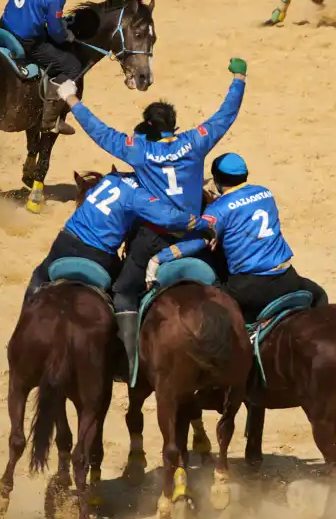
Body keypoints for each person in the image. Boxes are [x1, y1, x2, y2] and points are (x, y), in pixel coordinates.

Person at [53, 57, 247, 365]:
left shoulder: (139, 150)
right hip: (194, 238)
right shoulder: (195, 141)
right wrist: (239, 78)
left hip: (154, 240)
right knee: (228, 280)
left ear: (149, 130)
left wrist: (71, 99)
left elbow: (99, 131)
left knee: (124, 290)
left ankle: (130, 363)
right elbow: (225, 114)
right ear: (174, 125)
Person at [21, 169, 200, 377]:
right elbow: (170, 219)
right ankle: (126, 361)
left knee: (39, 276)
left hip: (65, 241)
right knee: (122, 291)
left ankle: (24, 335)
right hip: (98, 254)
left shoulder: (112, 178)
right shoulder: (141, 195)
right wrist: (203, 223)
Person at [149, 152, 328, 326]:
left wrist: (159, 258)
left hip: (250, 287)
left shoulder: (218, 209)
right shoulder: (265, 193)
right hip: (287, 277)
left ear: (216, 180)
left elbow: (198, 241)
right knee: (319, 296)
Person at [0, 0, 84, 134]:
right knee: (72, 66)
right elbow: (55, 32)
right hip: (26, 40)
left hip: (5, 24)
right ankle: (50, 120)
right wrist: (66, 37)